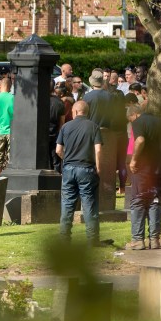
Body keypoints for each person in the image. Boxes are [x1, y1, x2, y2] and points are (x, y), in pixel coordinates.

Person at [56, 100, 103, 246]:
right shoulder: (94, 127)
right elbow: (98, 149)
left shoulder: (66, 126)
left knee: (67, 204)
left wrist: (67, 159)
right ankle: (92, 240)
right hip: (87, 169)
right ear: (87, 112)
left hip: (69, 169)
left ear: (75, 112)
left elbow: (58, 150)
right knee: (89, 204)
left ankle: (64, 240)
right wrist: (99, 167)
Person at [125, 104, 161, 250]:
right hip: (159, 168)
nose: (131, 123)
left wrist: (134, 160)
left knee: (138, 201)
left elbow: (140, 140)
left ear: (134, 114)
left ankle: (138, 240)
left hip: (143, 169)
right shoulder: (160, 122)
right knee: (155, 201)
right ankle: (154, 239)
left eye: (130, 120)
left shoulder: (138, 122)